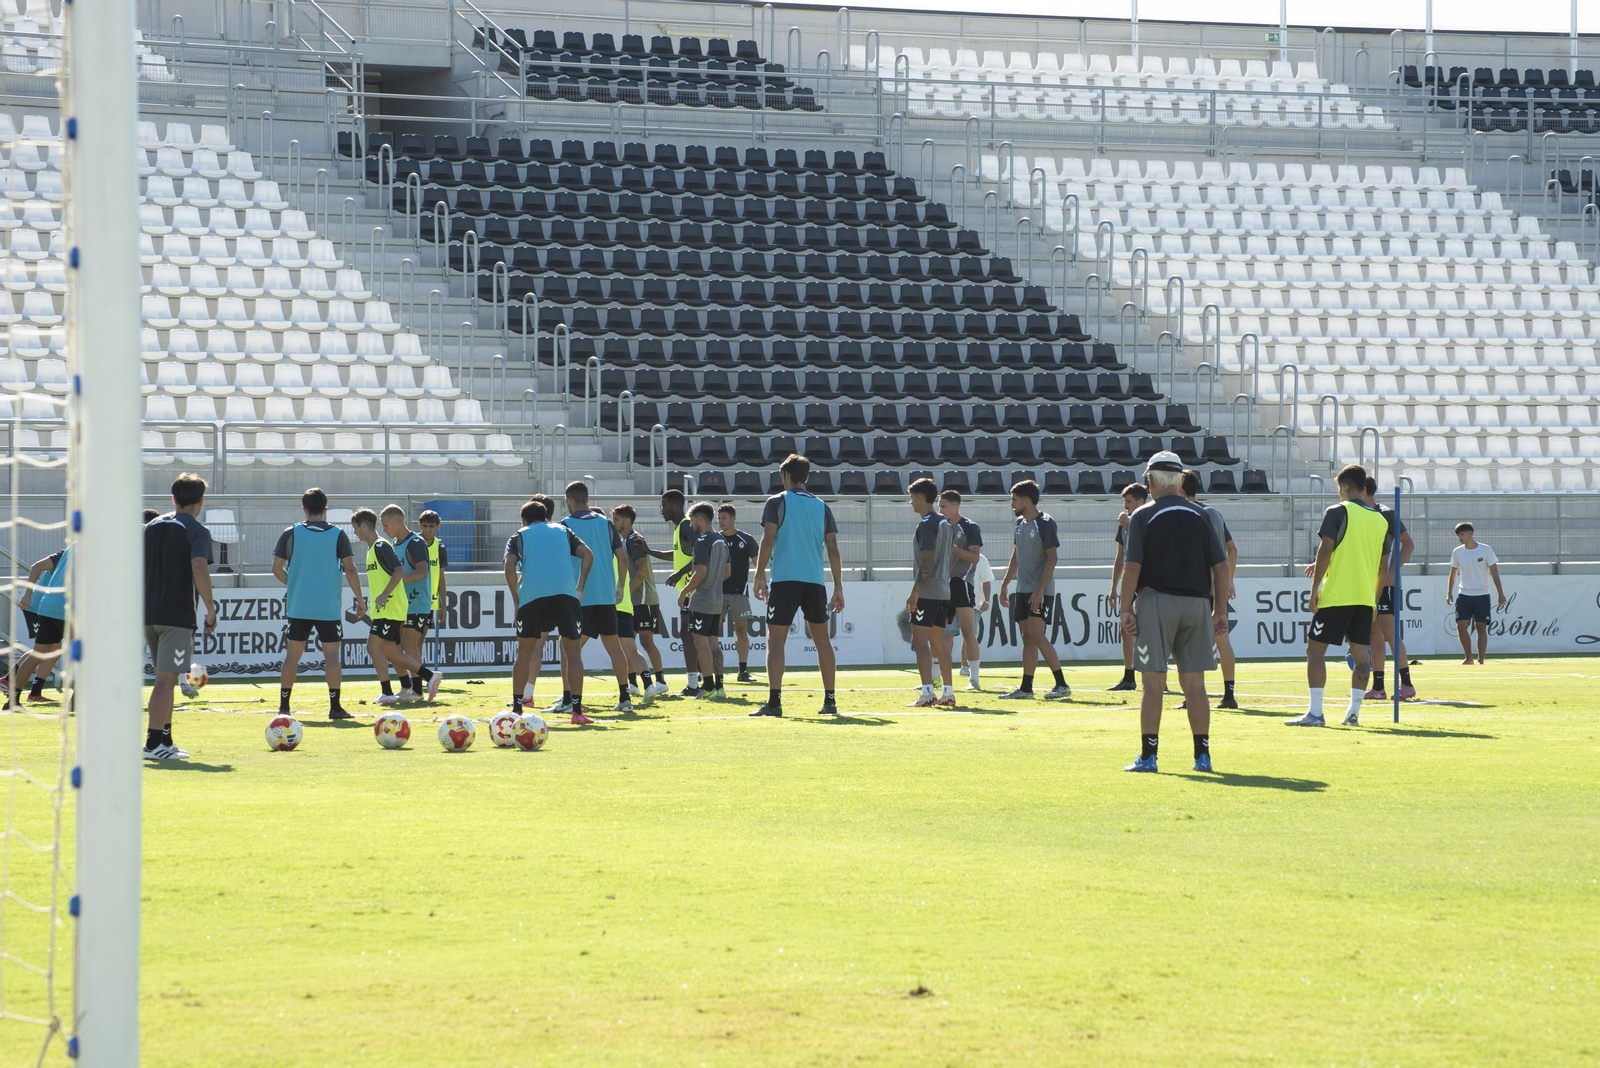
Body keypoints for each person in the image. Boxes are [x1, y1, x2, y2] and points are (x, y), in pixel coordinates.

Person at [1118, 453, 1230, 774]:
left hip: (1156, 602)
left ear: (1149, 480)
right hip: (1198, 604)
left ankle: (1149, 756)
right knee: (1195, 685)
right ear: (1181, 480)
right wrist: (1220, 609)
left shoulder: (1142, 515)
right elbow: (1220, 568)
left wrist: (1126, 608)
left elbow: (1133, 567)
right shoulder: (1204, 515)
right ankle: (1202, 757)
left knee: (1153, 683)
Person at [1287, 464, 1391, 728]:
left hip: (1337, 595)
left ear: (1344, 487)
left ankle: (1316, 713)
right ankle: (1353, 714)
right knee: (1361, 659)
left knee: (1314, 652)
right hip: (1365, 600)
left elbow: (1325, 551)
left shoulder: (1337, 511)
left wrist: (1315, 590)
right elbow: (1383, 567)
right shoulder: (1380, 520)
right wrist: (1374, 600)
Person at [750, 453, 844, 718]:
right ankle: (830, 701)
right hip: (815, 582)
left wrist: (758, 576)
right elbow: (834, 549)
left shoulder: (777, 501)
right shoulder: (822, 505)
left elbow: (767, 540)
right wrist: (838, 586)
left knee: (776, 643)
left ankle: (774, 703)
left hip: (785, 580)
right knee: (823, 642)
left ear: (785, 476)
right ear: (807, 477)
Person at [271, 487, 364, 720]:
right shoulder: (338, 535)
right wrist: (360, 600)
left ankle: (284, 707)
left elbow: (276, 568)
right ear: (325, 510)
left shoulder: (291, 533)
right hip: (327, 607)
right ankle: (335, 707)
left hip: (299, 606)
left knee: (293, 655)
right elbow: (350, 569)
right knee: (331, 656)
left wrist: (293, 585)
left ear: (304, 508)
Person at [142, 473, 216, 761]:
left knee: (168, 678)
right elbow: (198, 564)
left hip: (148, 612)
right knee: (165, 679)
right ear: (200, 502)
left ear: (173, 499)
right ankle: (152, 745)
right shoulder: (196, 530)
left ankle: (165, 740)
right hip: (176, 614)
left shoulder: (150, 526)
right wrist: (210, 608)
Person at [505, 498, 592, 719]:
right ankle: (576, 711)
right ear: (546, 517)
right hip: (565, 595)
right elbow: (587, 554)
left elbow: (508, 565)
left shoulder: (519, 535)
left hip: (532, 597)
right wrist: (579, 587)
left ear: (524, 520)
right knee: (574, 654)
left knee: (524, 654)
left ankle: (517, 709)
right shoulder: (563, 530)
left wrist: (516, 600)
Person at [561, 481, 632, 716]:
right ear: (588, 500)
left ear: (569, 500)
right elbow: (622, 558)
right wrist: (620, 586)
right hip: (605, 595)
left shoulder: (565, 526)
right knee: (614, 648)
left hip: (578, 596)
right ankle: (625, 696)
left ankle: (569, 698)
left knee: (569, 649)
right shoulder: (606, 524)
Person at [353, 508, 436, 707]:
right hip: (385, 609)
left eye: (355, 528)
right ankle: (428, 676)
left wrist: (385, 594)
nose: (354, 533)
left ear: (363, 526)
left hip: (392, 608)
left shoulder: (382, 546)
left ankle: (389, 692)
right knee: (391, 651)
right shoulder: (374, 549)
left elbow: (399, 570)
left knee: (374, 647)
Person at [998, 480, 1071, 700]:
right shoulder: (1020, 523)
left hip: (1040, 590)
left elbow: (1053, 557)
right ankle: (1026, 689)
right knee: (1027, 637)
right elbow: (1016, 555)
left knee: (1037, 635)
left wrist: (1039, 590)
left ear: (1027, 501)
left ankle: (1062, 684)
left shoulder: (1045, 523)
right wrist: (1005, 583)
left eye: (1014, 500)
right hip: (1022, 589)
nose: (1012, 504)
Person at [1181, 470, 1239, 710]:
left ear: (1180, 488)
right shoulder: (1214, 512)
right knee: (1222, 641)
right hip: (1216, 585)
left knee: (1189, 644)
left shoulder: (1182, 513)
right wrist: (1229, 580)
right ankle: (1229, 695)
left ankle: (1193, 696)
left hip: (1193, 586)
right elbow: (1232, 550)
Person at [380, 506, 440, 702]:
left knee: (409, 644)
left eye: (386, 525)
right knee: (392, 646)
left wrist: (397, 581)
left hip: (416, 603)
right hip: (399, 605)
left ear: (398, 522)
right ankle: (406, 687)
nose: (384, 529)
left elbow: (422, 572)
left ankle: (418, 689)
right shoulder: (393, 543)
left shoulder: (415, 543)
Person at [1365, 477, 1416, 700]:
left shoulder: (1386, 513)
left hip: (1385, 582)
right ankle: (1378, 687)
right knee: (1374, 633)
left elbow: (1409, 543)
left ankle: (1407, 684)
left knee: (1388, 629)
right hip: (1367, 580)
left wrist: (1395, 569)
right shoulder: (1361, 514)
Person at [906, 478, 956, 708]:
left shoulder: (927, 523)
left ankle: (927, 692)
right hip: (943, 590)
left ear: (920, 497)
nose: (910, 503)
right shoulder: (945, 522)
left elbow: (926, 559)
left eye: (912, 498)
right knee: (939, 642)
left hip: (928, 591)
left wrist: (915, 591)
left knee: (920, 642)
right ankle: (948, 692)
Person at [646, 489, 701, 695]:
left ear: (676, 506)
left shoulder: (686, 525)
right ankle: (705, 683)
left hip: (692, 589)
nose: (662, 510)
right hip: (688, 589)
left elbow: (700, 553)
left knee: (689, 635)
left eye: (665, 505)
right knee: (694, 636)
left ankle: (695, 685)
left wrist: (679, 574)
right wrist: (650, 551)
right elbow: (678, 554)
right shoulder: (680, 528)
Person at [677, 502, 731, 698]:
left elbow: (700, 572)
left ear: (700, 519)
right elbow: (727, 572)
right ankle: (720, 686)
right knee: (714, 644)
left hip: (702, 600)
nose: (691, 525)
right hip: (717, 600)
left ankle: (708, 688)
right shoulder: (722, 541)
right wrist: (713, 583)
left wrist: (684, 592)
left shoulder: (702, 541)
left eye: (692, 520)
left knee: (701, 644)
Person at [3, 546, 68, 707]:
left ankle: (19, 695)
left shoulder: (70, 551)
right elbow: (36, 566)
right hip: (49, 606)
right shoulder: (79, 553)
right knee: (58, 651)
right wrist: (28, 594)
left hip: (47, 605)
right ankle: (13, 682)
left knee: (45, 652)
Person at [615, 505, 668, 698]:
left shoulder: (634, 541)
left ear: (627, 520)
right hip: (632, 601)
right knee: (628, 644)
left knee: (646, 641)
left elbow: (642, 570)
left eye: (616, 520)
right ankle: (633, 684)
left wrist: (626, 591)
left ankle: (661, 681)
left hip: (643, 599)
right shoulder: (624, 541)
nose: (614, 523)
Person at [940, 489, 985, 691]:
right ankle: (935, 679)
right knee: (940, 635)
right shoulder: (938, 526)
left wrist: (956, 549)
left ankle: (974, 679)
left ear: (955, 506)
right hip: (940, 584)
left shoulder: (969, 527)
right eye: (939, 506)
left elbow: (975, 558)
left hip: (961, 583)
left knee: (968, 631)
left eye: (943, 506)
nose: (939, 509)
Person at [1107, 482, 1149, 692]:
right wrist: (1114, 587)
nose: (1125, 506)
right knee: (1125, 629)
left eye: (1129, 502)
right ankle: (1129, 676)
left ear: (1141, 501)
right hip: (1129, 585)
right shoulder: (1124, 524)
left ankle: (1159, 676)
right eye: (1124, 502)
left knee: (1149, 631)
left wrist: (1129, 525)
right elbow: (1119, 558)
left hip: (1146, 585)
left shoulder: (1148, 520)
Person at [1447, 523, 1508, 665]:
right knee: (1461, 626)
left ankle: (1481, 660)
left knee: (1481, 627)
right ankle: (1468, 658)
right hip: (1464, 595)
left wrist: (1501, 594)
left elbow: (1494, 572)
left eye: (1462, 534)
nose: (1460, 538)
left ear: (1470, 533)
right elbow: (1453, 573)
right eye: (1458, 535)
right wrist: (1449, 592)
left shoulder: (1485, 550)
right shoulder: (1457, 552)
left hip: (1482, 594)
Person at [717, 504, 761, 684]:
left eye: (724, 518)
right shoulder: (714, 539)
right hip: (716, 594)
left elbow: (759, 563)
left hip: (739, 594)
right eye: (718, 518)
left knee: (741, 631)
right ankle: (712, 673)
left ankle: (742, 671)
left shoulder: (746, 539)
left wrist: (761, 583)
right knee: (712, 633)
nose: (720, 522)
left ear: (733, 519)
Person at [418, 508, 448, 658]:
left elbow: (441, 577)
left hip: (429, 601)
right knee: (409, 638)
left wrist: (444, 604)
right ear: (419, 526)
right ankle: (412, 675)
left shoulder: (439, 547)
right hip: (413, 599)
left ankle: (414, 674)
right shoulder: (414, 543)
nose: (428, 530)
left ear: (438, 526)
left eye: (431, 526)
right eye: (425, 526)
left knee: (420, 638)